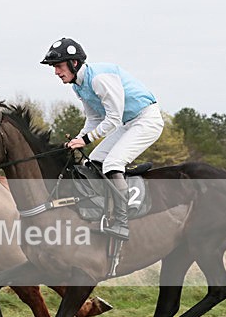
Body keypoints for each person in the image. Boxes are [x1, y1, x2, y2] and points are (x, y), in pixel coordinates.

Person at [40, 37, 164, 240]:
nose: (56, 72)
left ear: (74, 63)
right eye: (54, 67)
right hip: (128, 123)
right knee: (95, 161)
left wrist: (86, 140)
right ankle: (105, 211)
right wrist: (78, 139)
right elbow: (94, 118)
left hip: (146, 120)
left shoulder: (99, 79)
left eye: (59, 66)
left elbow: (113, 118)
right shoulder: (77, 85)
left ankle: (122, 223)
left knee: (113, 163)